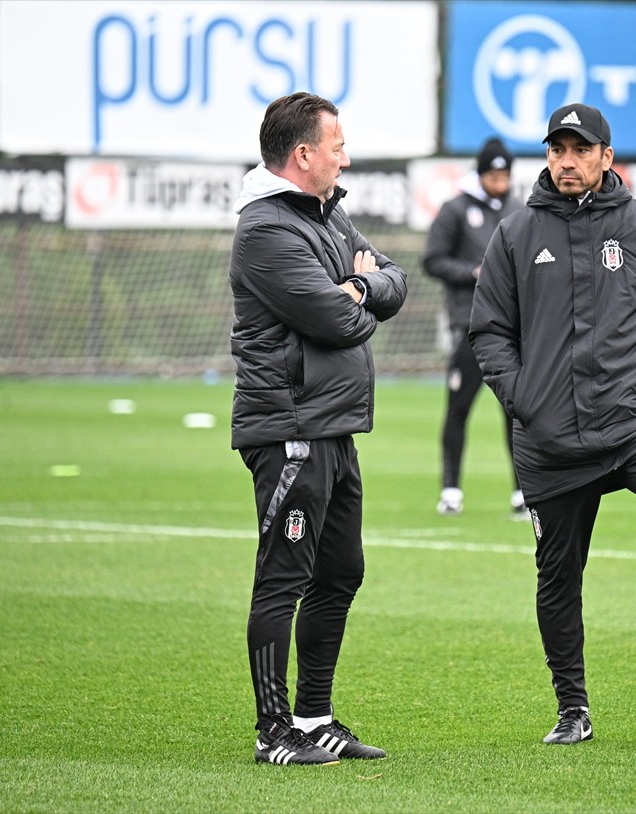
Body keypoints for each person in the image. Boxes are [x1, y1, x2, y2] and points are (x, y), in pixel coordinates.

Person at [469, 103, 636, 745]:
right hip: (548, 441)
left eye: (580, 149)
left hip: (630, 420)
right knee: (558, 575)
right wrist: (524, 398)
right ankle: (573, 710)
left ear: (606, 158)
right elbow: (489, 332)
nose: (567, 160)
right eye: (557, 149)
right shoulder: (515, 233)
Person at [228, 92, 407, 765]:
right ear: (303, 155)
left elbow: (393, 281)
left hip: (334, 426)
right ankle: (273, 731)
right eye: (337, 146)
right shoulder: (266, 231)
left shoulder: (328, 214)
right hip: (290, 429)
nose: (346, 156)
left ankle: (314, 717)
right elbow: (339, 323)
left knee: (341, 572)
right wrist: (359, 295)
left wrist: (359, 287)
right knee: (284, 576)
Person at [422, 137, 524, 519]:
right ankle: (451, 490)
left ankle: (522, 492)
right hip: (469, 324)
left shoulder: (518, 210)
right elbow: (432, 259)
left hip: (513, 328)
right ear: (480, 174)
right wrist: (473, 273)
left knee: (517, 410)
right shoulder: (455, 210)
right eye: (493, 174)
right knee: (459, 408)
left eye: (504, 174)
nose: (500, 181)